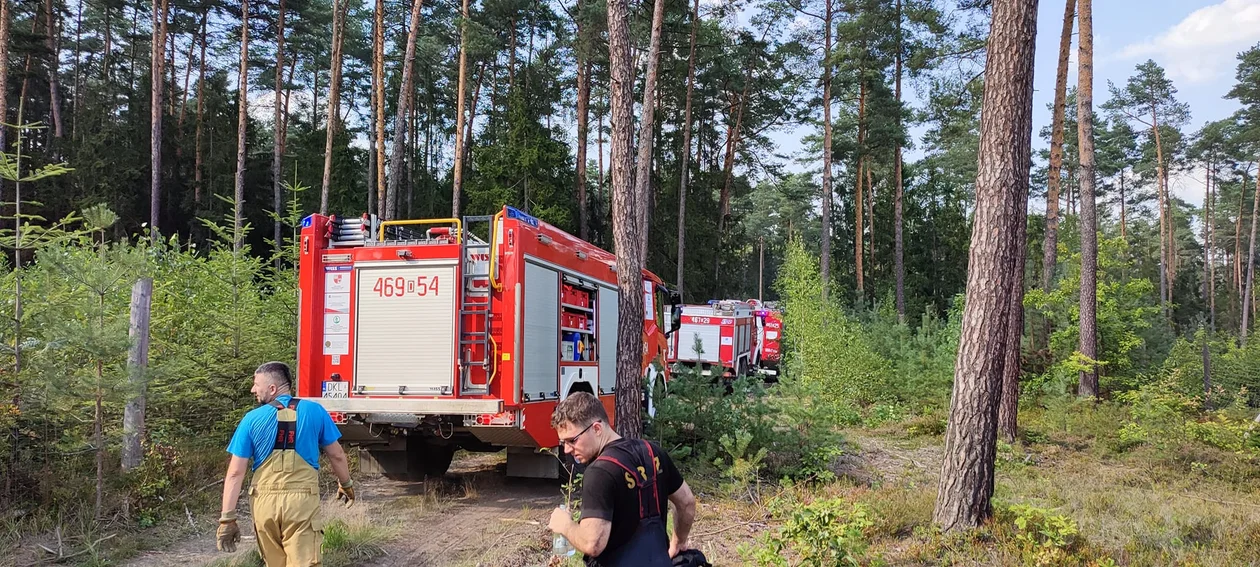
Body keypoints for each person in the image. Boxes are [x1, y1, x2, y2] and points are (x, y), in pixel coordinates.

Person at [216, 361, 356, 566]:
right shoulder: (315, 411)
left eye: (257, 384)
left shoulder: (251, 419)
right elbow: (337, 456)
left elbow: (235, 473)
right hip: (301, 503)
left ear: (272, 389)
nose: (253, 389)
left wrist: (227, 518)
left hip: (264, 504)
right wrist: (346, 485)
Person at [547, 392, 697, 566]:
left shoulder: (599, 472)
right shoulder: (653, 452)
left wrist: (565, 525)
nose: (567, 449)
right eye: (563, 442)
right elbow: (686, 502)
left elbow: (593, 543)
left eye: (572, 440)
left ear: (596, 428)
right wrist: (678, 543)